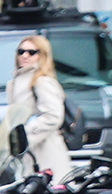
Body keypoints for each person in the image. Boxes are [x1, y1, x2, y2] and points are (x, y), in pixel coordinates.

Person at [8, 34, 72, 182]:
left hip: (46, 152)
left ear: (42, 56)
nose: (25, 56)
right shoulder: (14, 83)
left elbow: (53, 116)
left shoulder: (42, 82)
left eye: (32, 52)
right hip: (27, 155)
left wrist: (25, 134)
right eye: (21, 51)